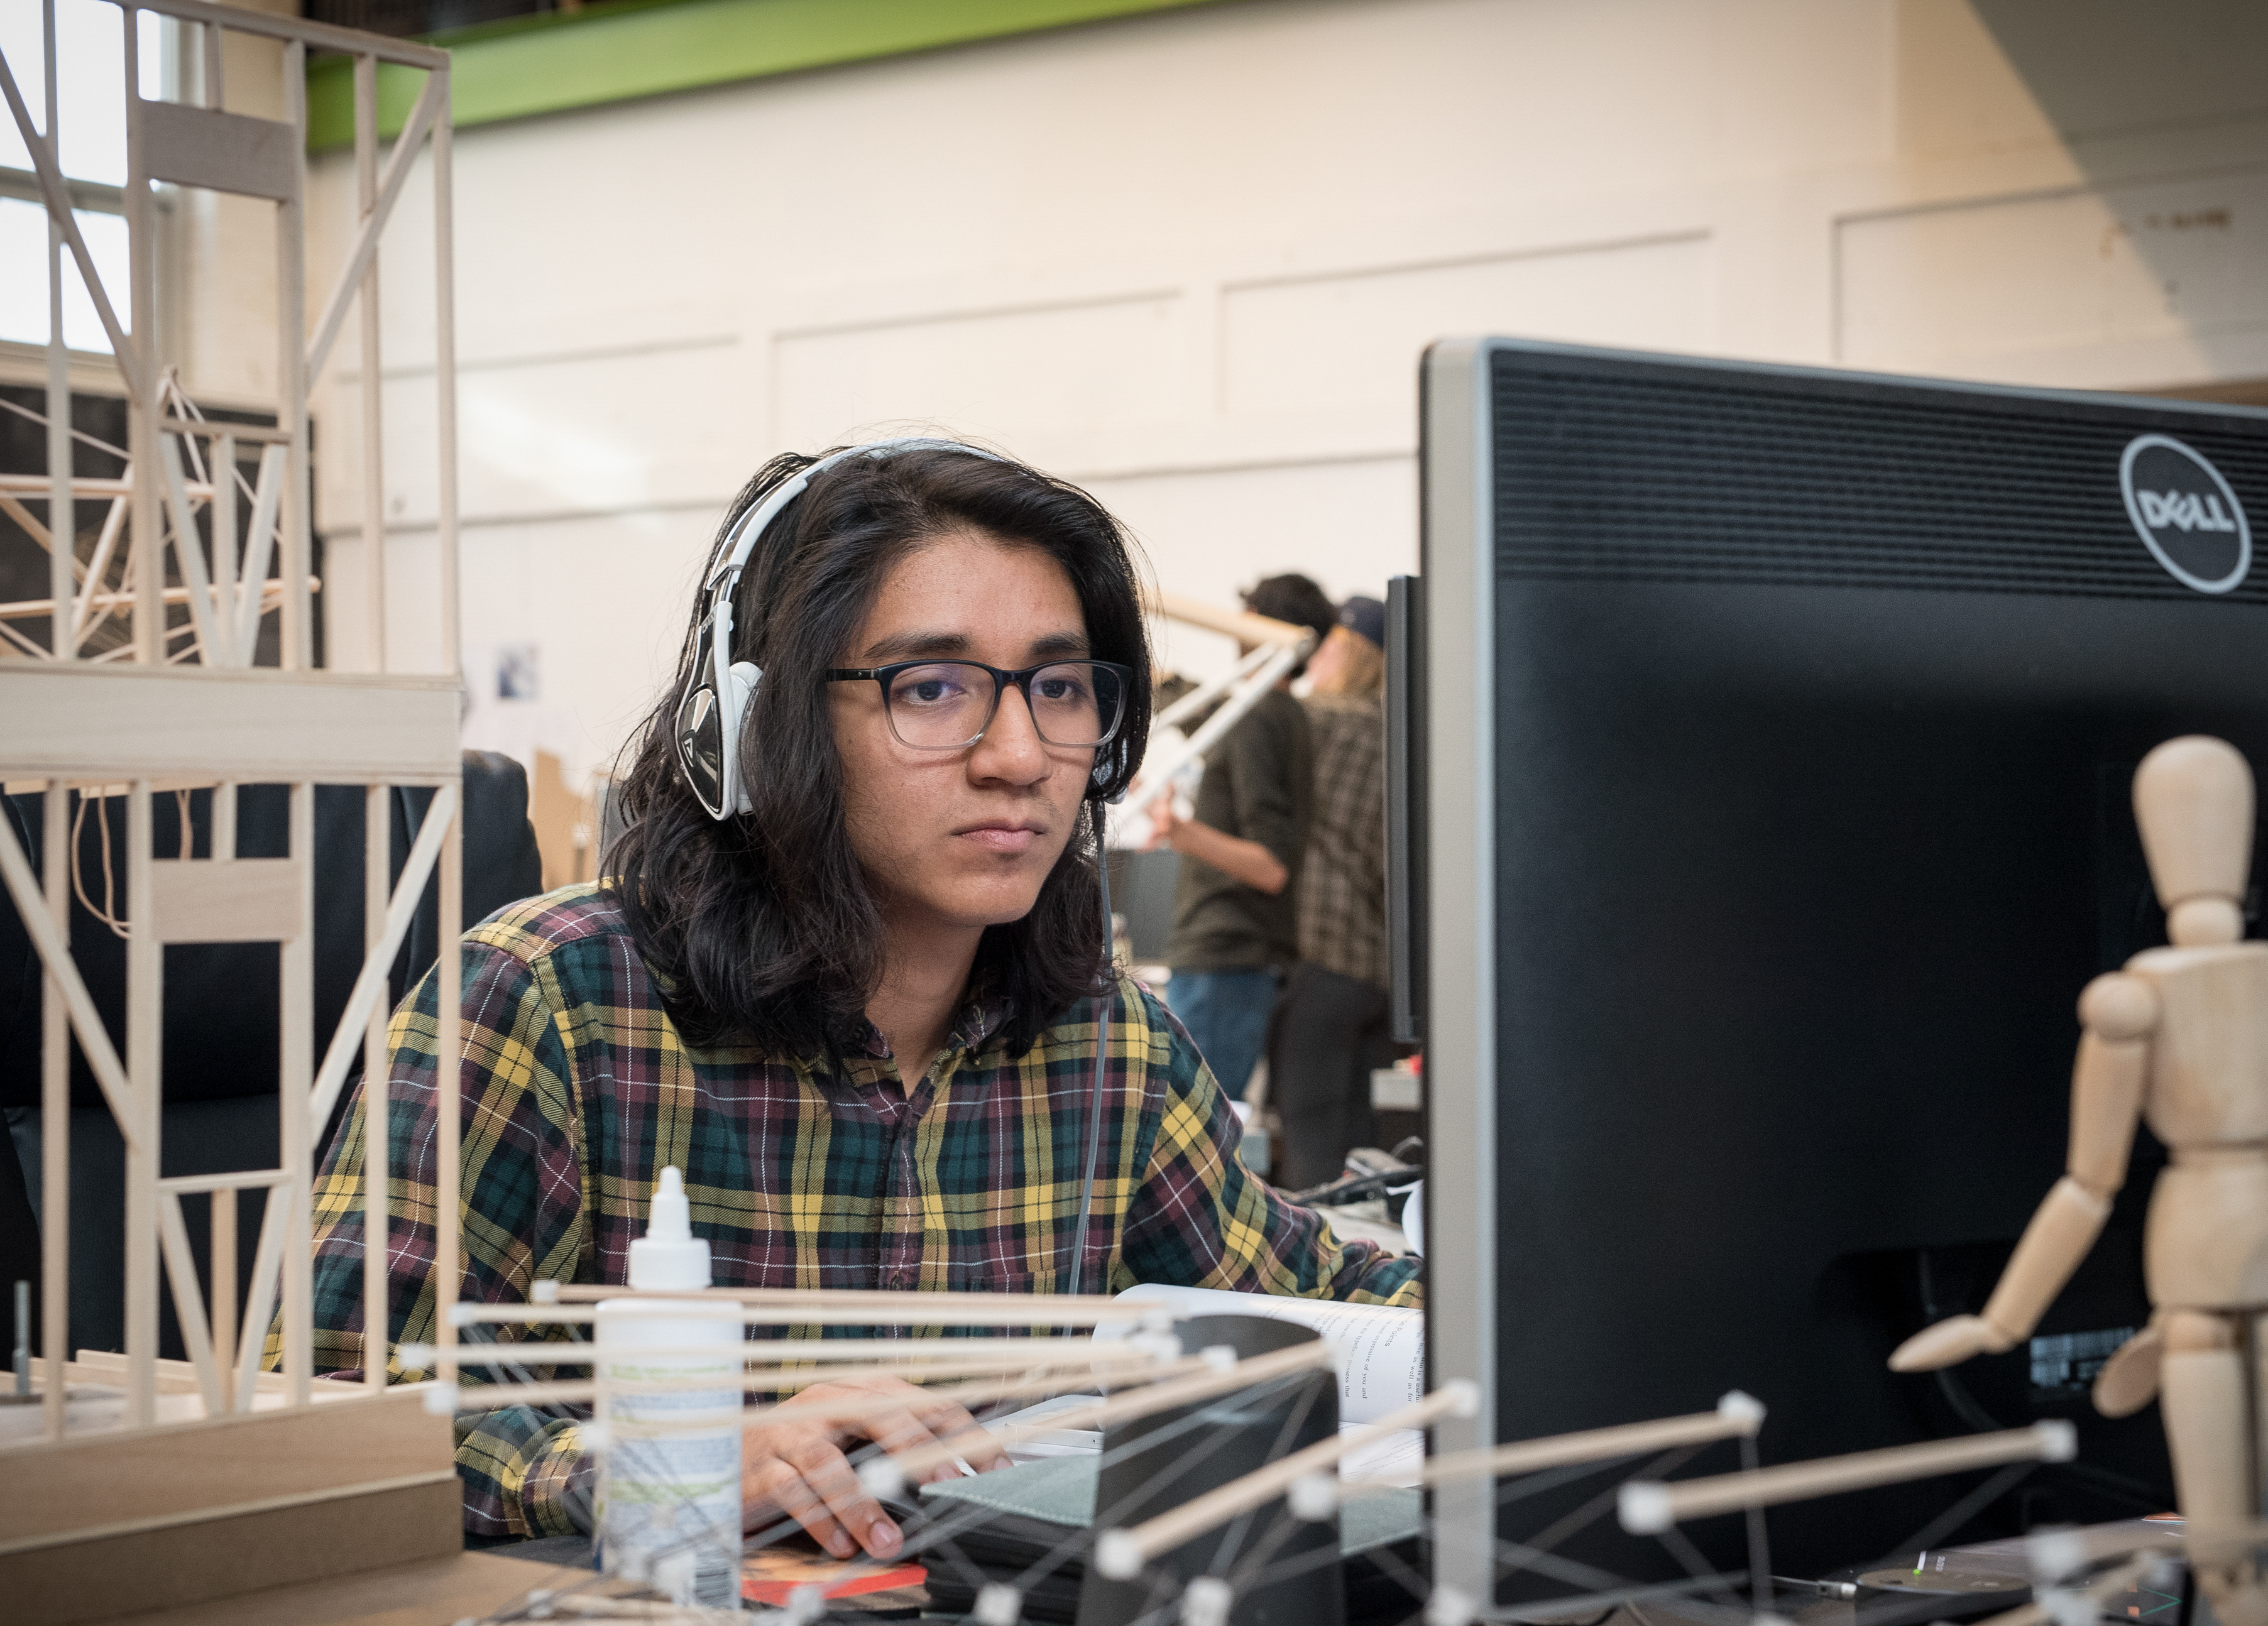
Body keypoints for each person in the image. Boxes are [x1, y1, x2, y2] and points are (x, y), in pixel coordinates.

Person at [275, 442, 1418, 1554]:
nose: (1021, 755)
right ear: (761, 724)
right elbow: (321, 1416)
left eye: (1062, 688)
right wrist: (667, 1462)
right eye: (931, 687)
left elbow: (1304, 1286)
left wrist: (1540, 1286)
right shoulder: (554, 1002)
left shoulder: (1104, 1042)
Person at [1153, 573, 1324, 1101]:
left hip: (1224, 956)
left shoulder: (1261, 715)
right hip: (1234, 960)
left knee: (1192, 1132)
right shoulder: (1279, 714)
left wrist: (1183, 834)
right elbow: (1205, 714)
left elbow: (1270, 865)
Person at [1269, 594, 1394, 1191]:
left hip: (1318, 955)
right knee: (1367, 1145)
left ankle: (1309, 1283)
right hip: (1380, 972)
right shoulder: (1400, 741)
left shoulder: (1309, 722)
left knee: (1310, 1134)